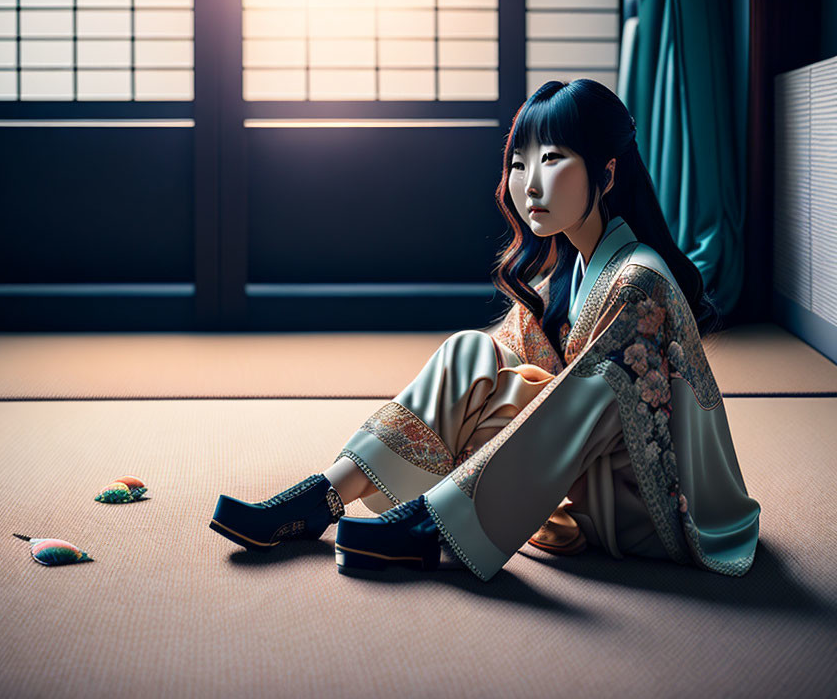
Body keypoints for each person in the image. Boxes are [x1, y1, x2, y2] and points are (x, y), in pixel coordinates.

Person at [209, 79, 761, 582]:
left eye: (552, 158)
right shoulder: (566, 269)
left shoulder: (639, 277)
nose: (531, 185)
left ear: (608, 173)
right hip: (587, 483)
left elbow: (592, 402)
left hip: (657, 507)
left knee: (599, 379)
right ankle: (322, 497)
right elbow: (506, 368)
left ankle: (435, 523)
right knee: (472, 351)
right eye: (520, 163)